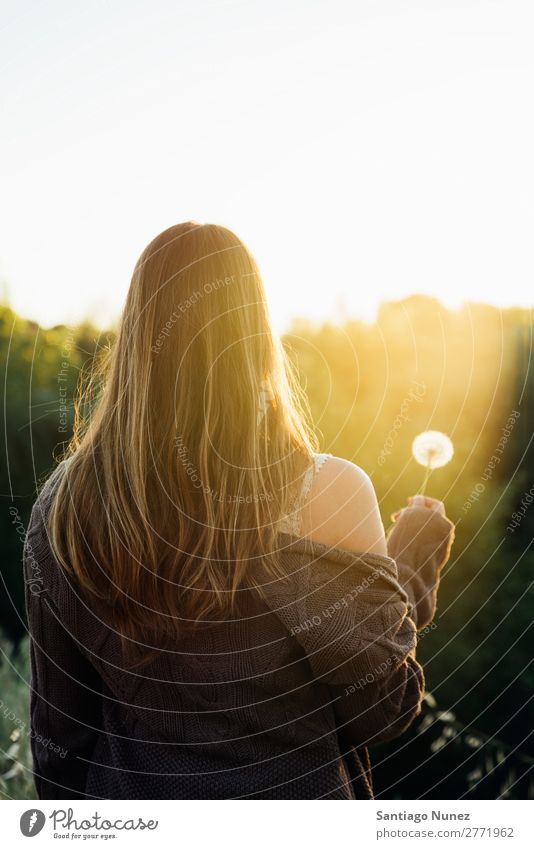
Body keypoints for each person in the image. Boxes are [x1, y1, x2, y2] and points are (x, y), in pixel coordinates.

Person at [23, 222, 455, 799]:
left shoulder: (65, 507)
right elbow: (383, 709)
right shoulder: (325, 491)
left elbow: (58, 742)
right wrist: (409, 573)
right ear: (255, 332)